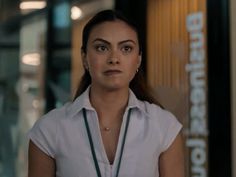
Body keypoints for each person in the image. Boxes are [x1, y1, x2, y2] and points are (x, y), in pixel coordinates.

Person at [27, 9, 185, 177]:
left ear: (138, 59)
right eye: (102, 48)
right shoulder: (49, 130)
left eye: (126, 48)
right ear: (84, 58)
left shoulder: (164, 126)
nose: (114, 58)